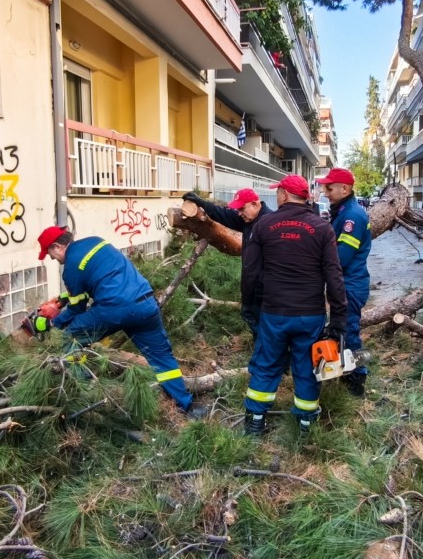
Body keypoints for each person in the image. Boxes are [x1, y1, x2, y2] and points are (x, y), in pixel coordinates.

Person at [35, 226, 207, 419]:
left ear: (57, 246)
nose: (52, 259)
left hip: (114, 309)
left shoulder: (70, 268)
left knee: (71, 338)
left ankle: (84, 392)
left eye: (50, 254)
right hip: (145, 303)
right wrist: (63, 298)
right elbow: (101, 277)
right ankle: (188, 407)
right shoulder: (96, 241)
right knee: (162, 357)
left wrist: (51, 324)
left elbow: (77, 309)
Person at [240, 174, 347, 436]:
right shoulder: (322, 228)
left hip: (274, 312)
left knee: (266, 363)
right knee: (307, 367)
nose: (277, 196)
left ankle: (255, 421)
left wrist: (249, 305)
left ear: (285, 195)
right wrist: (338, 317)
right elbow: (334, 275)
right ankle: (306, 425)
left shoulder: (264, 225)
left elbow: (250, 271)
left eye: (278, 192)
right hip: (310, 314)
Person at [181, 188, 272, 335]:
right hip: (250, 295)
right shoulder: (248, 220)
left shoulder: (270, 224)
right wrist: (201, 202)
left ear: (255, 204)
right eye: (238, 210)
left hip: (264, 298)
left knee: (267, 339)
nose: (239, 213)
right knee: (258, 336)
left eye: (242, 209)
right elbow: (223, 214)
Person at [315, 167, 373, 396]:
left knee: (350, 334)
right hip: (345, 284)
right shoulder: (342, 211)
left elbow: (341, 258)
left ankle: (358, 379)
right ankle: (346, 372)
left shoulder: (352, 216)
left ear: (345, 189)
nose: (325, 192)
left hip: (351, 285)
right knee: (343, 331)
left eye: (329, 188)